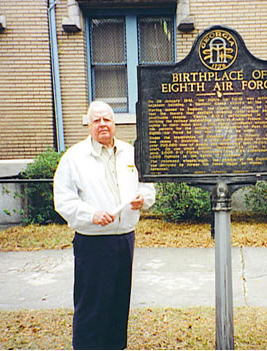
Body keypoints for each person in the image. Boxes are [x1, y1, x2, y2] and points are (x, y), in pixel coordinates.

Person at [53, 100, 156, 350]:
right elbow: (63, 199)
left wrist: (145, 199)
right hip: (93, 242)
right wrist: (91, 215)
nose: (102, 125)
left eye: (107, 120)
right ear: (88, 125)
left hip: (124, 239)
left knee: (118, 303)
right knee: (92, 306)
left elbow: (148, 185)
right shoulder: (74, 158)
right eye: (96, 120)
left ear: (114, 123)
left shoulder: (129, 153)